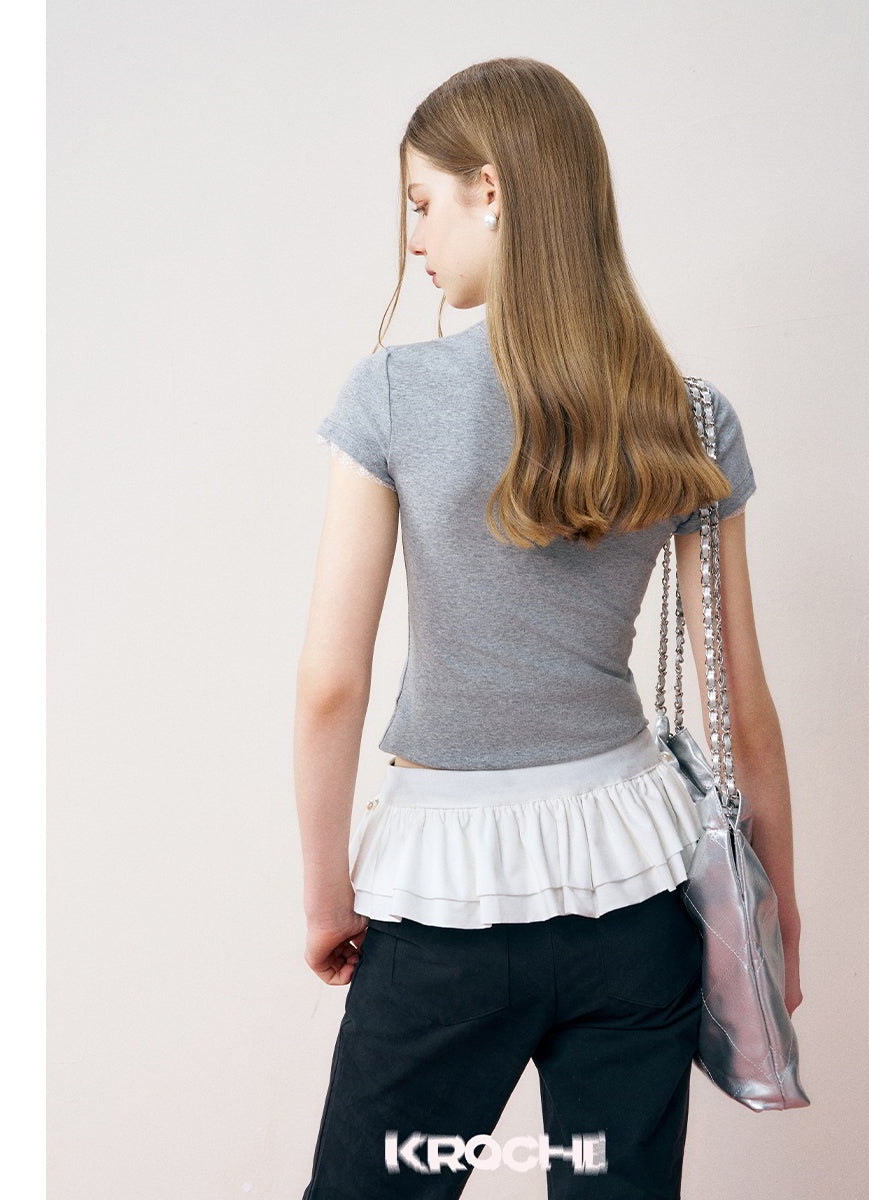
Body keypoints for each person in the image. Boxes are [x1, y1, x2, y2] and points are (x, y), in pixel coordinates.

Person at [294, 57, 802, 1200]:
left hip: (443, 909)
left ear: (493, 189)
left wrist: (328, 895)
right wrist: (780, 914)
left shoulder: (390, 396)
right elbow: (742, 706)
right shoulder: (691, 415)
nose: (415, 238)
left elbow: (331, 683)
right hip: (637, 899)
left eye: (422, 202)